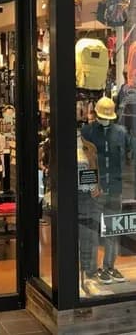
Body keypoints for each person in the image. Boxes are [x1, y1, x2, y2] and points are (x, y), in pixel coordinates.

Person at [81, 97, 130, 285]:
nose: (104, 120)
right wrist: (91, 185)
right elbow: (85, 161)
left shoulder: (121, 132)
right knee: (92, 231)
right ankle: (91, 269)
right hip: (96, 190)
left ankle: (109, 266)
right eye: (102, 116)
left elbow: (127, 160)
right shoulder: (87, 131)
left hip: (115, 188)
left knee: (113, 230)